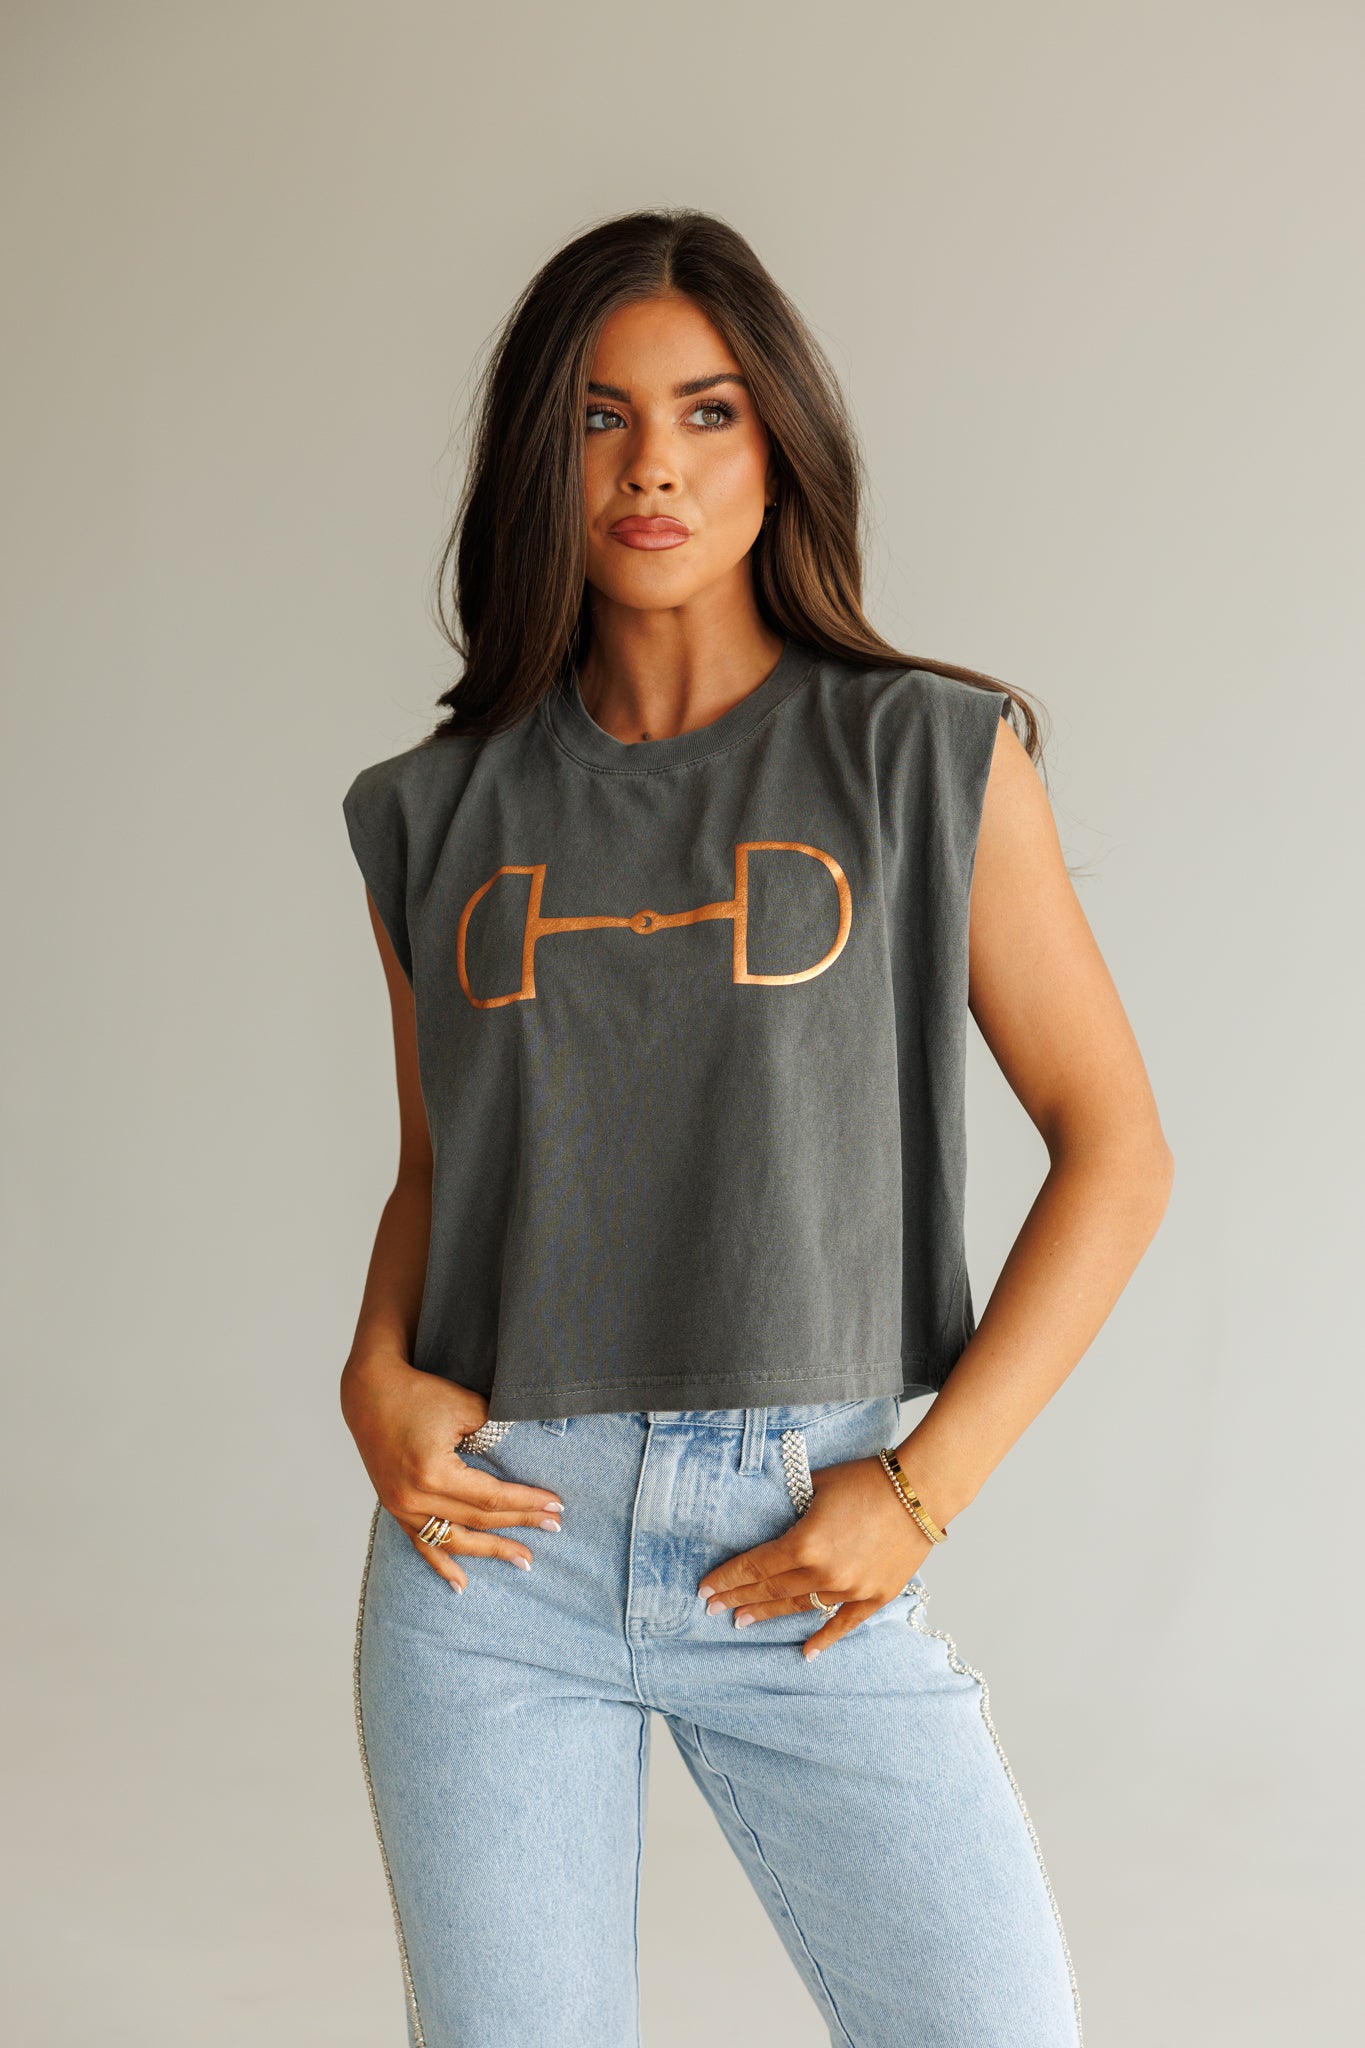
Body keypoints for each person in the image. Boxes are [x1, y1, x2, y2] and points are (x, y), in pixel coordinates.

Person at [338, 208, 1173, 2048]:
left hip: (801, 1526)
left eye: (706, 411)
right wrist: (372, 1369)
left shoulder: (927, 757)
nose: (652, 464)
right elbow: (438, 1167)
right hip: (495, 1556)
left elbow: (1115, 1149)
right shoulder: (431, 812)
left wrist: (925, 1487)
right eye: (600, 416)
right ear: (537, 455)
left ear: (778, 443)